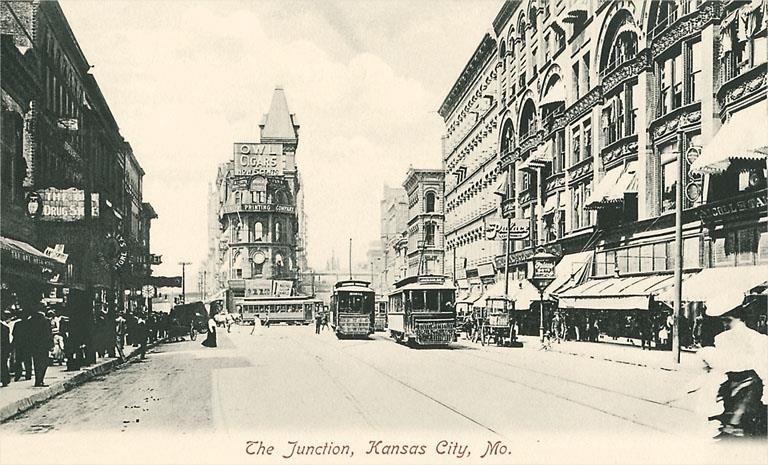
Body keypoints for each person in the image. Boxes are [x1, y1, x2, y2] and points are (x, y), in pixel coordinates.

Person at [694, 306, 768, 439]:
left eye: (726, 320)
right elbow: (763, 369)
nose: (724, 324)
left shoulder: (722, 339)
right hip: (746, 388)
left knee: (736, 427)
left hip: (738, 388)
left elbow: (720, 368)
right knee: (741, 428)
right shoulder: (759, 338)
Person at [27, 305, 53, 387]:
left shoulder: (30, 321)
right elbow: (49, 334)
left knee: (36, 363)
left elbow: (28, 334)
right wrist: (51, 345)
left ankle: (37, 380)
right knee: (44, 362)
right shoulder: (46, 320)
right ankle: (40, 380)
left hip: (34, 345)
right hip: (43, 345)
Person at [11, 310, 31, 381]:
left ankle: (18, 375)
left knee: (18, 360)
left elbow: (14, 334)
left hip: (19, 344)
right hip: (27, 344)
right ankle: (28, 374)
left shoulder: (17, 324)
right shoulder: (29, 324)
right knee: (27, 360)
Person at [1, 313, 11, 387]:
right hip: (3, 349)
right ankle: (5, 380)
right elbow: (7, 341)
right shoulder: (5, 328)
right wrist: (8, 351)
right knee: (3, 364)